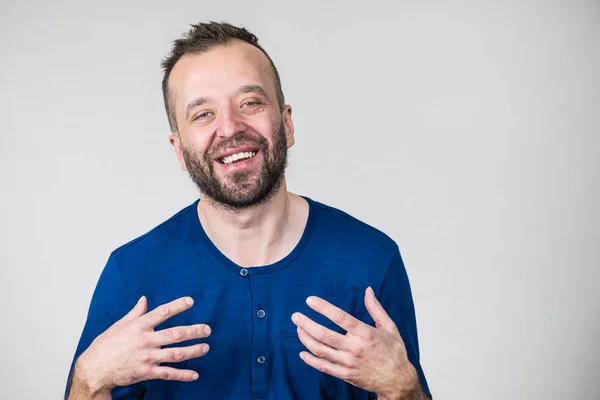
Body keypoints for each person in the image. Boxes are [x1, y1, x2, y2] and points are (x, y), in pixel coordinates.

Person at [65, 21, 432, 400]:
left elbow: (406, 391)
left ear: (286, 124)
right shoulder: (131, 275)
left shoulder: (372, 261)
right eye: (202, 113)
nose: (230, 127)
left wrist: (403, 389)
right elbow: (88, 387)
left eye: (250, 102)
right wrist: (89, 380)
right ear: (179, 150)